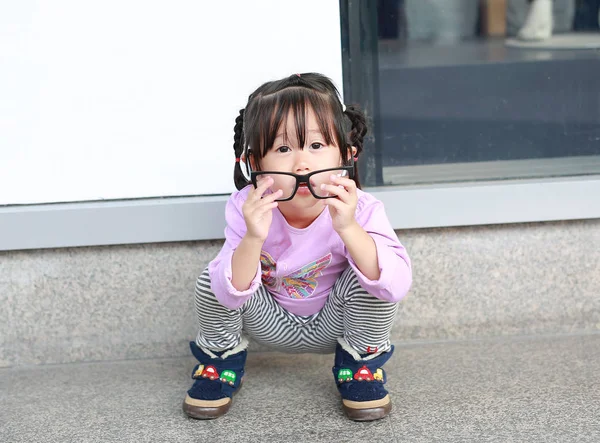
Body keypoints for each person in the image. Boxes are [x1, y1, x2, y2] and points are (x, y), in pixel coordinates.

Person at [182, 73, 412, 422]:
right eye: (283, 148)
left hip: (335, 325)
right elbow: (230, 296)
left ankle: (361, 364)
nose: (301, 163)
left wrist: (348, 227)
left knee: (368, 274)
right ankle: (221, 359)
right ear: (256, 164)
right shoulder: (248, 207)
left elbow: (394, 285)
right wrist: (253, 238)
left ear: (347, 154)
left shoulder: (361, 209)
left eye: (317, 146)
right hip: (269, 319)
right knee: (212, 278)